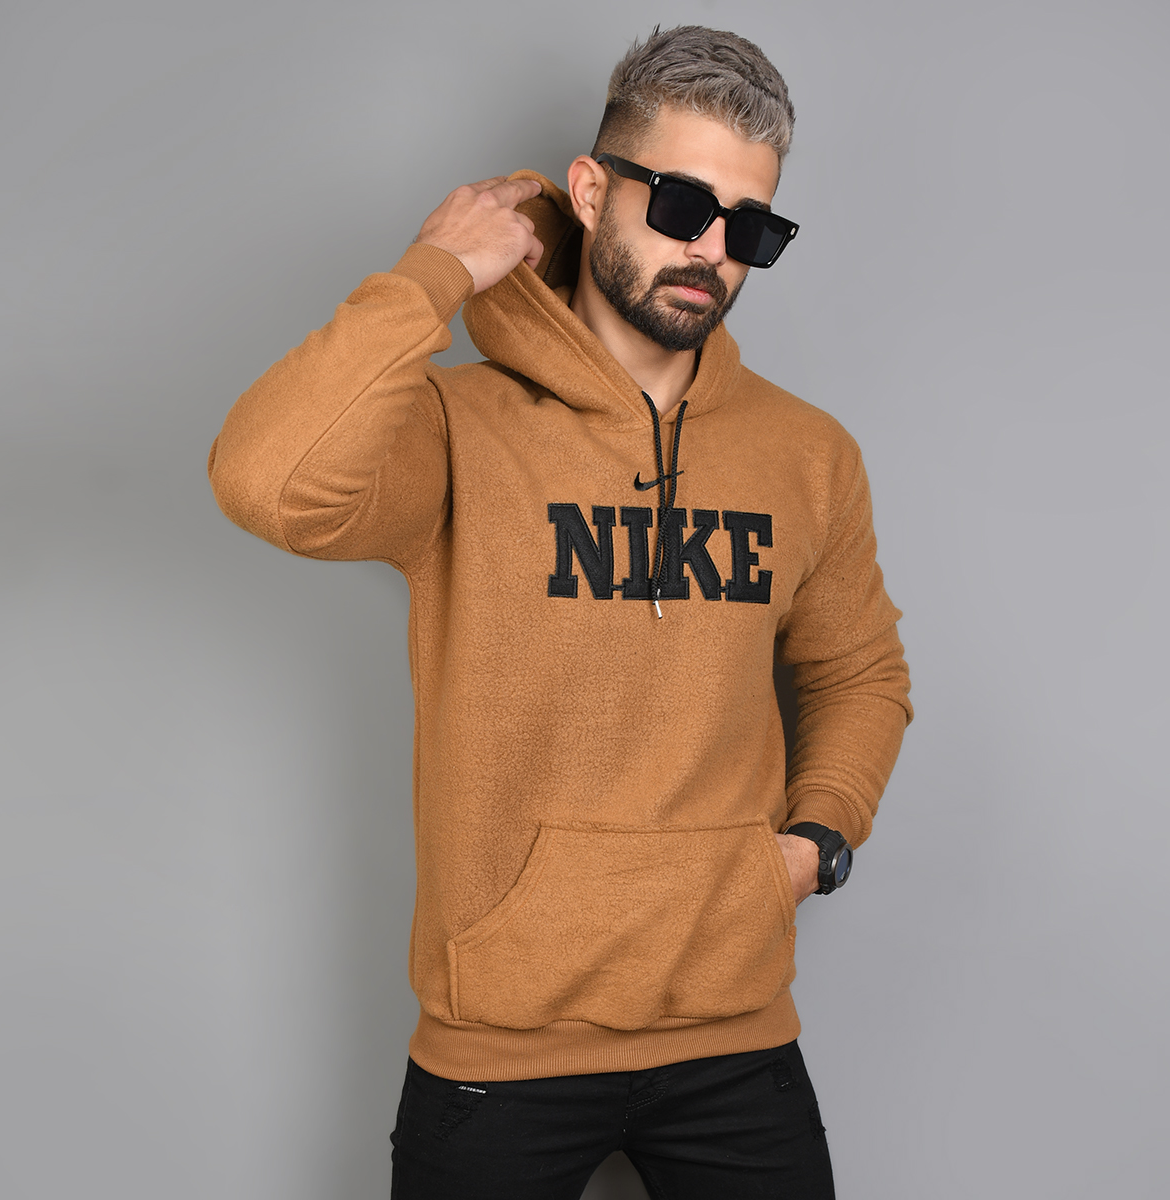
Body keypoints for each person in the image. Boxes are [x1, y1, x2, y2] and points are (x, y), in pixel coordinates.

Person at [208, 24, 911, 1199]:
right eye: (682, 205)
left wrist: (814, 845)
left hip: (734, 1036)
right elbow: (264, 482)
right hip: (499, 1052)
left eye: (750, 228)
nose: (712, 252)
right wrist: (434, 273)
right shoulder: (455, 429)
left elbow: (859, 673)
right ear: (590, 192)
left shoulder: (808, 454)